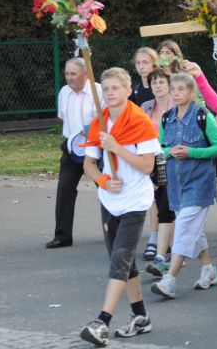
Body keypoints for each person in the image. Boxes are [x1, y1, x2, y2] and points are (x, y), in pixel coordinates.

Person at [79, 67, 160, 346]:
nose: (110, 93)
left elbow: (147, 166)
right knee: (125, 262)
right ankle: (141, 316)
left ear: (128, 91)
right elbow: (89, 163)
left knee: (119, 260)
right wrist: (102, 180)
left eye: (116, 88)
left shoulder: (140, 121)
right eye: (106, 88)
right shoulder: (99, 122)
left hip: (135, 202)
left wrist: (116, 147)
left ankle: (102, 322)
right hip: (109, 201)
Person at [150, 73, 217, 299]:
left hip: (199, 183)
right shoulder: (167, 118)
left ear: (192, 92)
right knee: (192, 229)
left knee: (184, 227)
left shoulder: (203, 116)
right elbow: (159, 148)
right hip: (176, 185)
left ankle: (170, 279)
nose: (176, 92)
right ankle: (209, 269)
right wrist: (168, 152)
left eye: (181, 89)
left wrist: (192, 152)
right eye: (173, 88)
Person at [46, 57, 102, 249]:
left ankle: (114, 229)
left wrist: (93, 129)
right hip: (71, 148)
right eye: (67, 74)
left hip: (96, 149)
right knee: (64, 190)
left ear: (85, 74)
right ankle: (62, 236)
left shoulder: (98, 91)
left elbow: (108, 119)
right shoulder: (64, 92)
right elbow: (64, 118)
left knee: (105, 189)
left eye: (73, 74)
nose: (69, 78)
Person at [140, 69, 176, 276]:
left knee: (171, 206)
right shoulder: (145, 107)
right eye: (153, 82)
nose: (157, 85)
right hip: (152, 160)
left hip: (172, 160)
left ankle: (173, 250)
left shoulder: (177, 106)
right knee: (158, 203)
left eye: (161, 82)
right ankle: (163, 248)